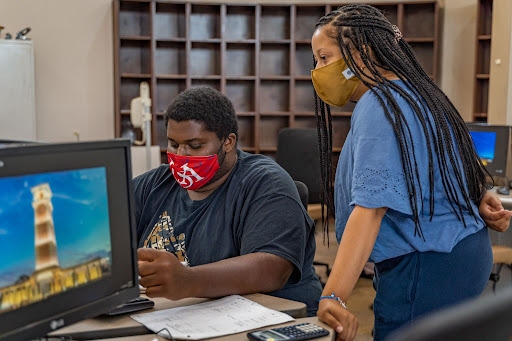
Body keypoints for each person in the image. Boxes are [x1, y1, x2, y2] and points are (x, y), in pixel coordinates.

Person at [309, 4, 512, 340]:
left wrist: (333, 295)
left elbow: (371, 209)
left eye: (324, 58)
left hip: (426, 266)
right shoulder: (419, 92)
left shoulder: (380, 104)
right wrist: (480, 195)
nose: (317, 70)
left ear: (360, 55)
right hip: (459, 256)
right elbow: (444, 165)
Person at [134, 86, 322, 316]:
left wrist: (187, 280)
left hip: (268, 319)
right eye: (173, 144)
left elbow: (273, 269)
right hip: (184, 316)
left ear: (228, 142)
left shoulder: (267, 184)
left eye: (195, 146)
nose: (181, 156)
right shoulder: (154, 185)